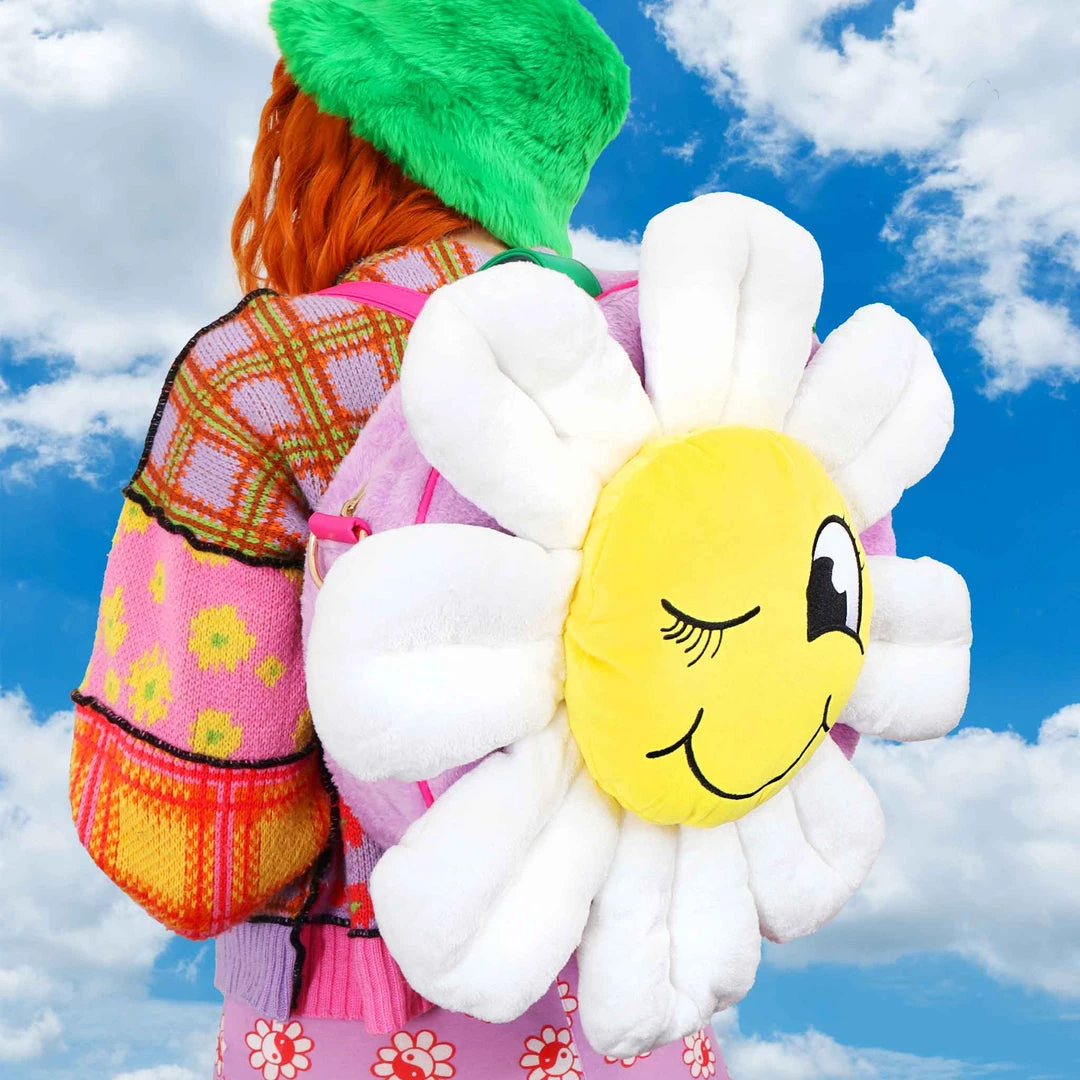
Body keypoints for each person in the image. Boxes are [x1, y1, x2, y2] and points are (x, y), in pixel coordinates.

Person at [70, 0, 734, 1075]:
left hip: (353, 1024)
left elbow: (201, 849)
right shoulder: (674, 357)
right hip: (639, 1012)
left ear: (339, 127)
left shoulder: (267, 376)